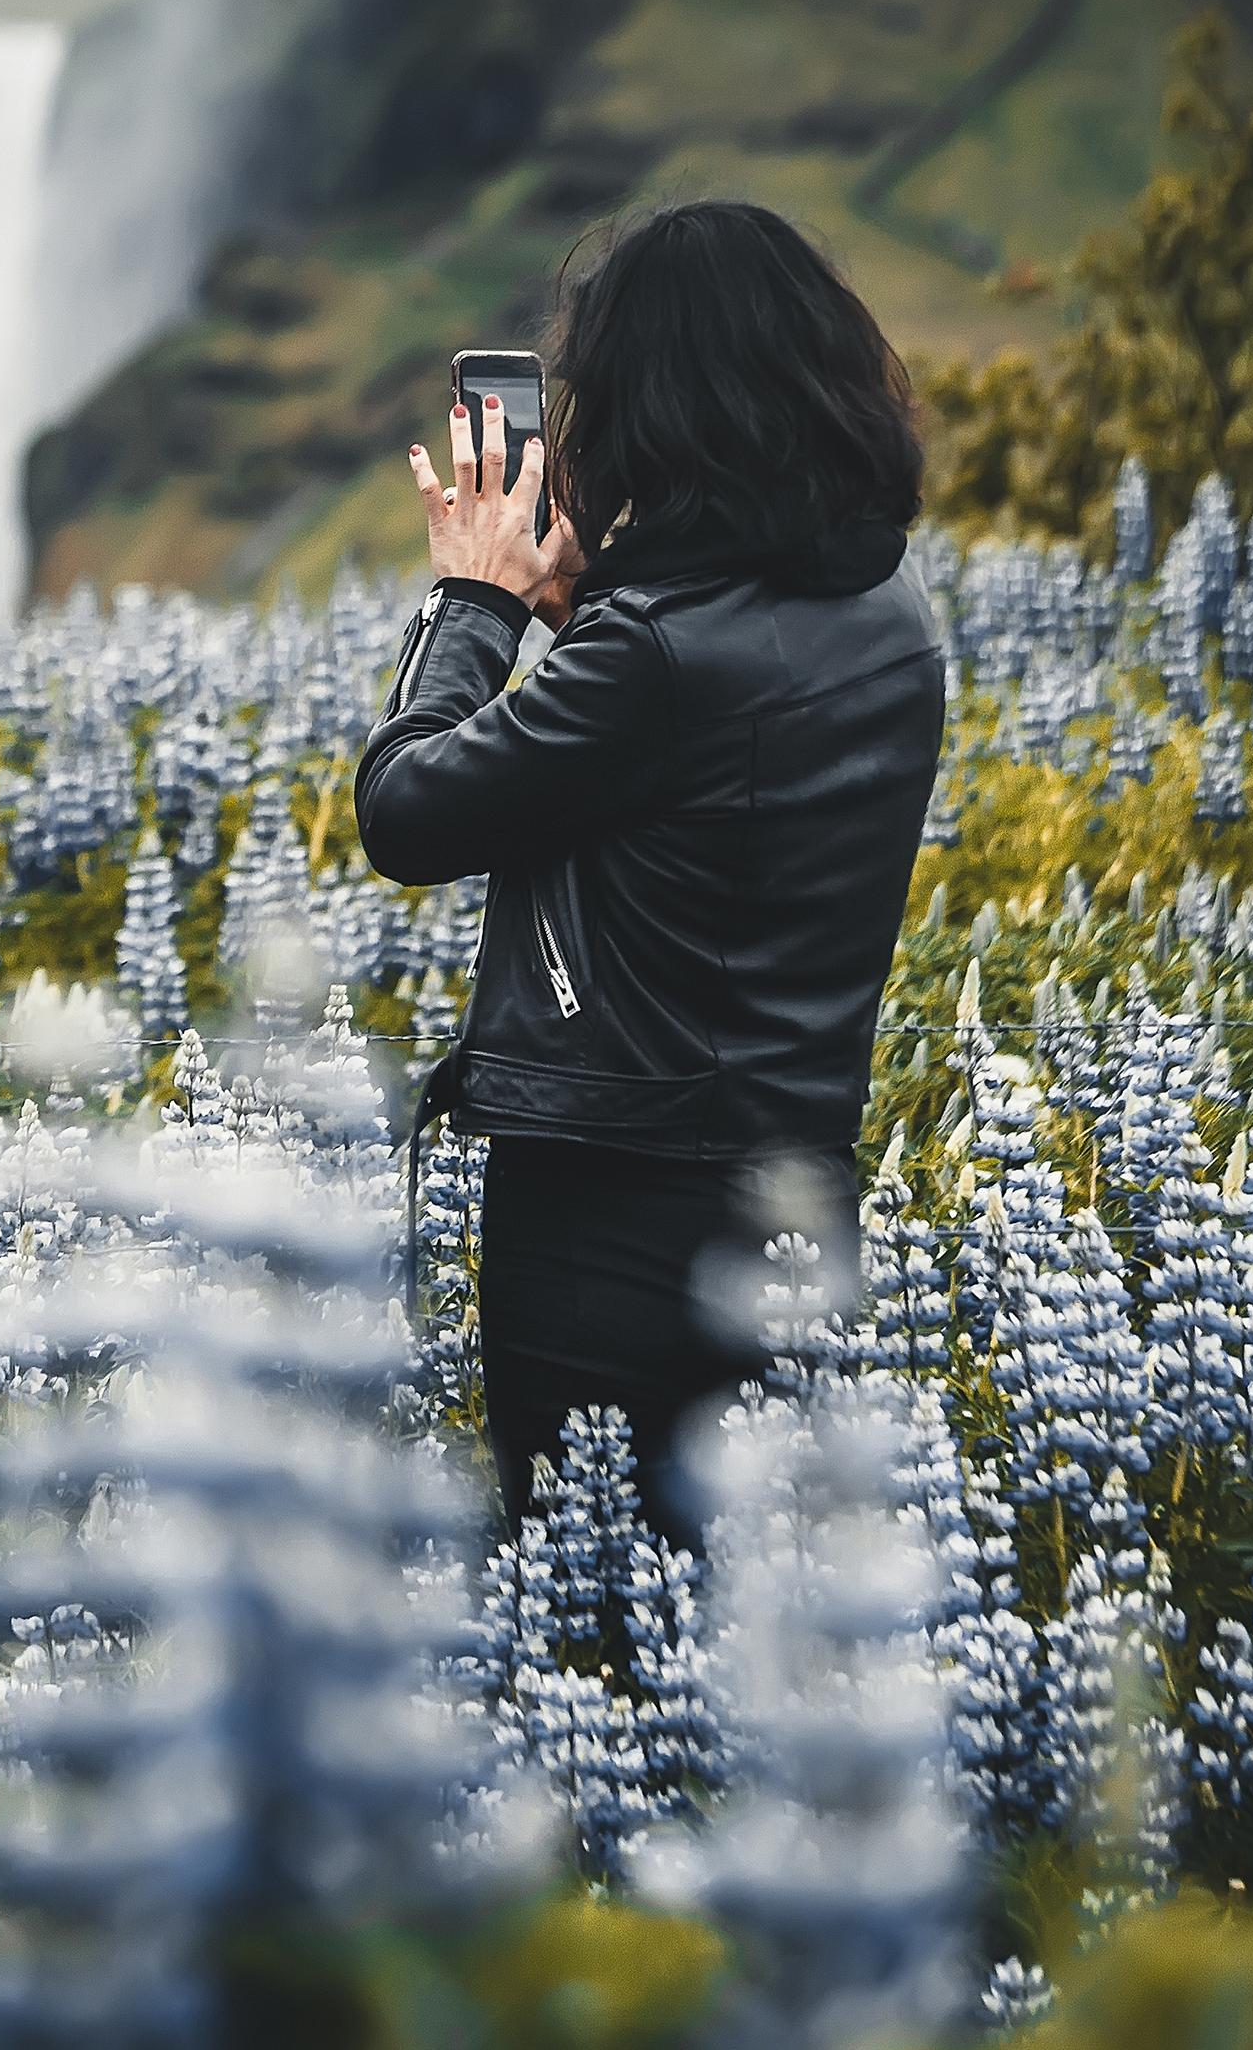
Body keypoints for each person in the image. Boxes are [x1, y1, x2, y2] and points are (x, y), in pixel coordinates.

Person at [353, 199, 944, 1544]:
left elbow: (408, 810)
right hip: (799, 1192)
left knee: (587, 1619)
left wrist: (478, 603)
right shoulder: (886, 606)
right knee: (761, 1626)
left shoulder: (659, 658)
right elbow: (713, 739)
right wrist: (595, 610)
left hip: (617, 1220)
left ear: (658, 410)